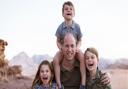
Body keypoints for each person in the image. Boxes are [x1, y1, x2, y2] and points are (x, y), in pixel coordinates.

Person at [53, 1, 85, 88]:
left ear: (74, 13)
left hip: (74, 49)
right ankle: (58, 83)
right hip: (63, 49)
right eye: (66, 9)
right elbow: (57, 40)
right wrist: (60, 48)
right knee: (56, 59)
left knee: (82, 57)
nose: (68, 10)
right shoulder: (60, 27)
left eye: (71, 9)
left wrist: (77, 48)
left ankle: (83, 82)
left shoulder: (77, 27)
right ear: (63, 14)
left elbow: (80, 40)